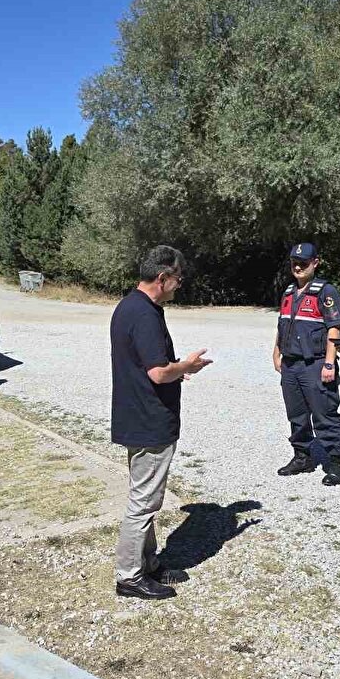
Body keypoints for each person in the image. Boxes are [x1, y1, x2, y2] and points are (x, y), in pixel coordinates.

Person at [110, 245, 213, 600]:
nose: (178, 286)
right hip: (149, 420)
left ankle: (147, 563)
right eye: (177, 280)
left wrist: (174, 371)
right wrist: (185, 366)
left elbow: (147, 367)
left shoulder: (130, 307)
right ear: (162, 278)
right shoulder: (145, 314)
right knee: (143, 502)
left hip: (136, 415)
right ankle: (129, 576)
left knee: (145, 496)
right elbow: (157, 372)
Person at [272, 243, 340, 485]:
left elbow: (333, 329)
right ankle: (302, 456)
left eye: (304, 262)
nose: (298, 266)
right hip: (291, 364)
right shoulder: (288, 292)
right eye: (295, 262)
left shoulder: (325, 292)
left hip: (314, 363)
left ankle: (338, 461)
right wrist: (276, 351)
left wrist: (329, 363)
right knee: (296, 414)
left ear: (315, 262)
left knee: (324, 414)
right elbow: (283, 323)